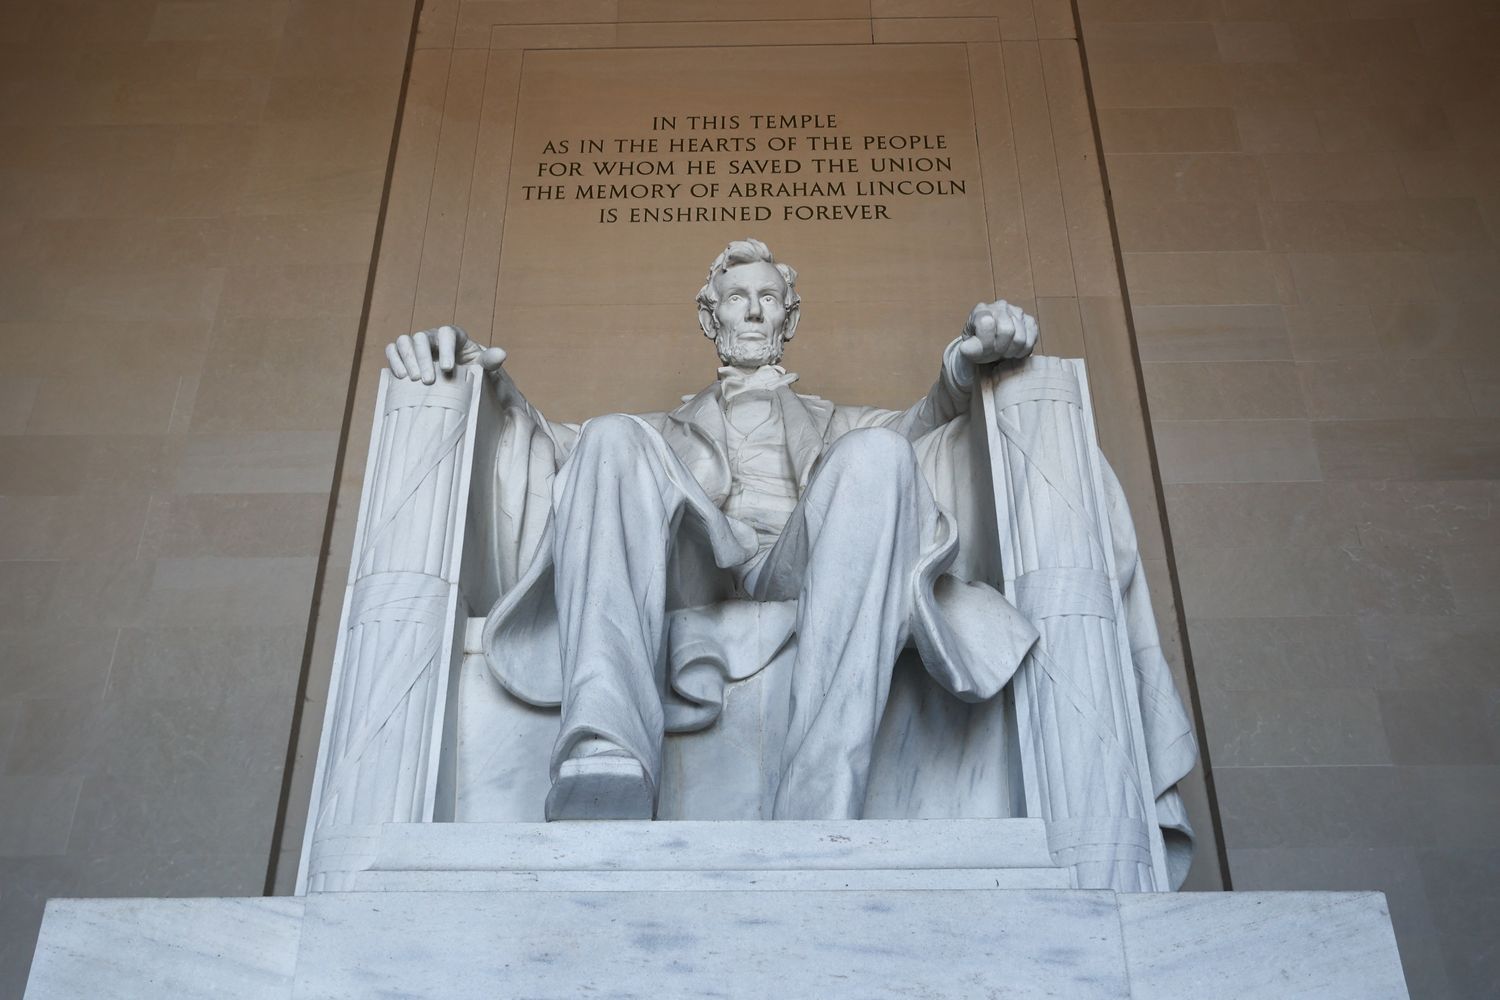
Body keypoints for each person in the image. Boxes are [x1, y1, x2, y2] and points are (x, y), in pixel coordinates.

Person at [385, 238, 1040, 822]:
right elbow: (546, 448)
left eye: (768, 298)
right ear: (710, 318)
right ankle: (605, 752)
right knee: (611, 435)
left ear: (790, 317)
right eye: (736, 299)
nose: (753, 311)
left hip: (805, 560)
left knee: (879, 454)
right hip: (695, 559)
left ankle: (822, 796)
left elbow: (930, 420)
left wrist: (967, 360)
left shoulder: (839, 422)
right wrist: (480, 379)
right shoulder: (658, 435)